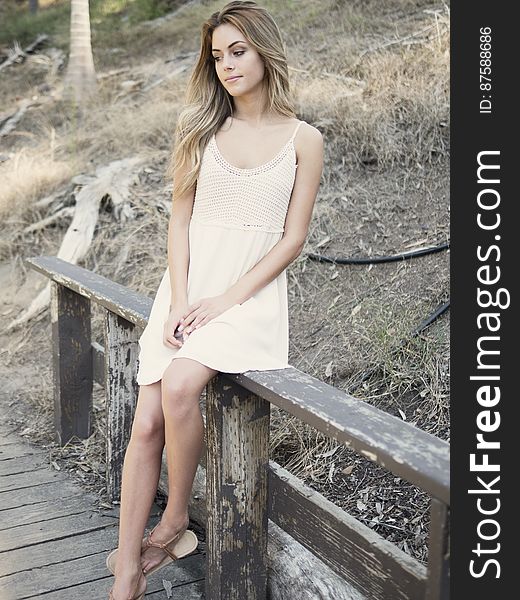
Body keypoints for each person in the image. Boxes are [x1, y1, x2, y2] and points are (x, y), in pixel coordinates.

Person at [107, 1, 323, 598]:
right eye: (217, 55)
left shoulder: (305, 140)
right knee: (146, 423)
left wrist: (223, 300)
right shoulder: (200, 128)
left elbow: (294, 239)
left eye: (238, 51)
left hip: (246, 299)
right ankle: (126, 572)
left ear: (263, 51)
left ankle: (177, 517)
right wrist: (180, 299)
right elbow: (178, 223)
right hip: (184, 293)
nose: (227, 65)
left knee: (179, 387)